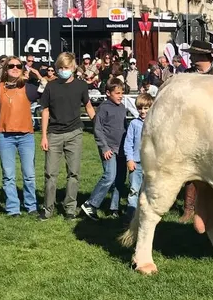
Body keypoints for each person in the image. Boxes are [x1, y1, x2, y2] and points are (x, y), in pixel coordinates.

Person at [39, 52, 96, 220]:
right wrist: (43, 136)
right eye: (60, 68)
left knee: (74, 173)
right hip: (54, 134)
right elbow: (45, 110)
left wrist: (98, 124)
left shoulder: (81, 86)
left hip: (74, 134)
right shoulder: (51, 86)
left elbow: (89, 106)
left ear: (73, 67)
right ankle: (47, 209)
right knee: (50, 174)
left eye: (66, 67)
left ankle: (70, 208)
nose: (63, 70)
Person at [178, 40, 213, 224]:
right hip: (192, 128)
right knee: (191, 170)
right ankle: (188, 208)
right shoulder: (187, 75)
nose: (191, 57)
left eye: (194, 54)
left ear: (203, 56)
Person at [0, 56, 40, 217]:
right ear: (5, 69)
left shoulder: (28, 88)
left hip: (26, 136)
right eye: (11, 66)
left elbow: (47, 89)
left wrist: (35, 74)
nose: (15, 68)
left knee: (29, 175)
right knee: (8, 176)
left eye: (18, 66)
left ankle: (31, 205)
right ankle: (13, 208)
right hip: (5, 136)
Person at [81, 79, 129, 219]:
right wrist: (104, 147)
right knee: (109, 176)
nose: (120, 96)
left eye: (122, 93)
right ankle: (91, 204)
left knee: (120, 179)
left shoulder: (121, 107)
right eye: (117, 93)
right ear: (108, 93)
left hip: (121, 148)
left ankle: (114, 208)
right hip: (109, 148)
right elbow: (98, 129)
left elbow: (124, 127)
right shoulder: (104, 107)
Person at [121, 91, 153, 222]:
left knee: (149, 190)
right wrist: (129, 159)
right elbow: (128, 143)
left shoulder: (154, 124)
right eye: (140, 108)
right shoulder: (134, 124)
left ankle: (148, 215)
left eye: (146, 108)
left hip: (150, 163)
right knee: (134, 188)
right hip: (136, 162)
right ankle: (131, 214)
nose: (143, 111)